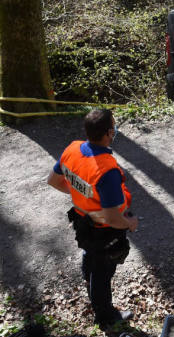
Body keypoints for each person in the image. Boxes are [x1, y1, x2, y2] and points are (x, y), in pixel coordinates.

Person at [47, 109, 138, 329]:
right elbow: (113, 217)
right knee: (103, 271)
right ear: (109, 133)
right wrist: (130, 224)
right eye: (114, 126)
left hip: (82, 221)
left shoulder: (72, 150)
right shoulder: (107, 171)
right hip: (103, 229)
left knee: (90, 255)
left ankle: (89, 281)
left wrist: (82, 194)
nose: (115, 129)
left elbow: (53, 180)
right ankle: (105, 316)